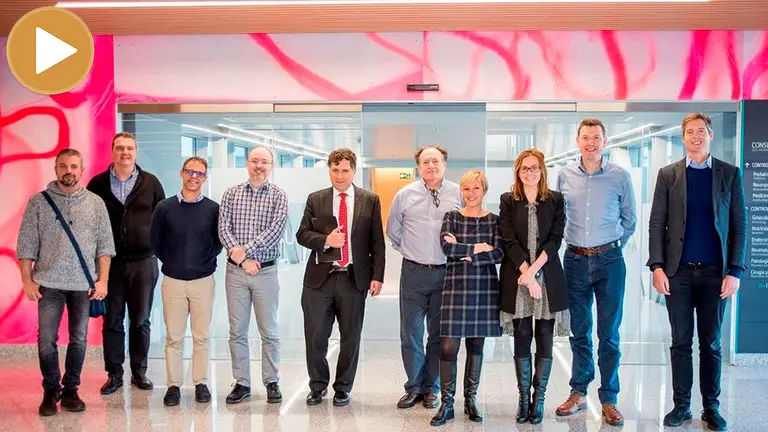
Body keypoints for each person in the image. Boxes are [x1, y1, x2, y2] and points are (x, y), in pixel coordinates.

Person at [647, 113, 746, 431]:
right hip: (677, 273)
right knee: (679, 342)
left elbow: (739, 224)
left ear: (711, 134)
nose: (695, 136)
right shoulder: (668, 175)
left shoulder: (729, 174)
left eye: (701, 131)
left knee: (712, 343)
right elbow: (656, 223)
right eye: (689, 132)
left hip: (716, 274)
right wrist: (657, 266)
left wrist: (736, 271)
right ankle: (680, 407)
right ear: (683, 137)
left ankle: (712, 408)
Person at [17, 148, 115, 416]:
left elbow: (104, 248)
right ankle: (51, 390)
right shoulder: (38, 202)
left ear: (82, 170)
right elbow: (26, 245)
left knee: (79, 339)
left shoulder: (96, 203)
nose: (68, 171)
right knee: (46, 339)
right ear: (56, 168)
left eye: (74, 166)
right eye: (63, 166)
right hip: (48, 284)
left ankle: (71, 390)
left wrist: (103, 281)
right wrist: (28, 280)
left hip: (83, 285)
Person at [555, 118, 637, 427]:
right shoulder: (563, 176)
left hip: (609, 261)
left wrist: (611, 247)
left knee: (609, 333)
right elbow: (557, 219)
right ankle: (578, 392)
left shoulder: (619, 176)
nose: (591, 142)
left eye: (596, 137)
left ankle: (609, 398)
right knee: (579, 331)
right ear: (578, 141)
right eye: (586, 137)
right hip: (574, 260)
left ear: (605, 141)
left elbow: (630, 220)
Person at [296, 148, 386, 407]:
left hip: (353, 279)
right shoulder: (317, 199)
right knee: (316, 336)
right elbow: (302, 234)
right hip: (319, 281)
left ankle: (343, 388)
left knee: (350, 337)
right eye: (335, 170)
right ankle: (317, 386)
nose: (339, 175)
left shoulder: (370, 199)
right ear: (329, 170)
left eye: (345, 170)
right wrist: (325, 240)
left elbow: (377, 242)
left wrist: (377, 276)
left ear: (354, 171)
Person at [87, 132, 166, 395]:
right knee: (112, 320)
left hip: (144, 262)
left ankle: (139, 371)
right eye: (119, 148)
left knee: (141, 320)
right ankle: (115, 373)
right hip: (110, 265)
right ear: (112, 152)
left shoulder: (151, 183)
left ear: (136, 151)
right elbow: (89, 226)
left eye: (129, 148)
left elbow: (162, 220)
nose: (125, 153)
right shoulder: (97, 184)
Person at [386, 145, 462, 409]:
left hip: (446, 272)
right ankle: (414, 386)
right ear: (418, 166)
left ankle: (432, 387)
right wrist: (413, 251)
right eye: (426, 162)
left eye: (436, 161)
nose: (431, 166)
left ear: (445, 164)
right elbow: (393, 231)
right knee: (410, 332)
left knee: (438, 334)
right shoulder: (404, 195)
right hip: (414, 272)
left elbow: (468, 228)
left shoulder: (457, 193)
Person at [499, 149, 570, 425]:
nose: (530, 172)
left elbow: (555, 239)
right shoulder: (508, 200)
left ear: (542, 171)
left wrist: (535, 273)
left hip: (547, 277)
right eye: (525, 168)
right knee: (522, 334)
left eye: (534, 168)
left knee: (544, 336)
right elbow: (508, 239)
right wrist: (526, 273)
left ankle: (539, 399)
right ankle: (523, 399)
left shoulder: (555, 200)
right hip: (517, 276)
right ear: (518, 172)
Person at [430, 169, 503, 426]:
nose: (471, 194)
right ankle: (447, 404)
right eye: (466, 189)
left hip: (483, 288)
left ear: (484, 190)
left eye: (476, 188)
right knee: (449, 346)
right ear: (461, 191)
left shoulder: (495, 220)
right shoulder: (451, 217)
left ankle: (470, 400)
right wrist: (477, 247)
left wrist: (469, 256)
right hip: (455, 287)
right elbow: (447, 248)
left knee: (476, 346)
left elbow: (499, 254)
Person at [150, 157, 223, 407]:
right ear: (182, 173)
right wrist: (173, 261)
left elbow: (218, 242)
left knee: (202, 336)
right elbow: (156, 242)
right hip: (173, 281)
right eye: (190, 172)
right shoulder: (164, 208)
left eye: (200, 173)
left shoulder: (213, 209)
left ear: (205, 178)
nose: (194, 177)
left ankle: (201, 382)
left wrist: (201, 261)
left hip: (203, 280)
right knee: (174, 337)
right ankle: (173, 386)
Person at [218, 145, 288, 405]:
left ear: (272, 166)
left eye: (265, 162)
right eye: (254, 161)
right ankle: (242, 382)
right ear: (247, 164)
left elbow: (275, 231)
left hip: (265, 271)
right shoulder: (231, 194)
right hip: (235, 273)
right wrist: (242, 258)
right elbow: (223, 227)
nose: (259, 166)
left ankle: (272, 381)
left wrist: (244, 252)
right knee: (237, 330)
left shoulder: (279, 196)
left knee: (269, 330)